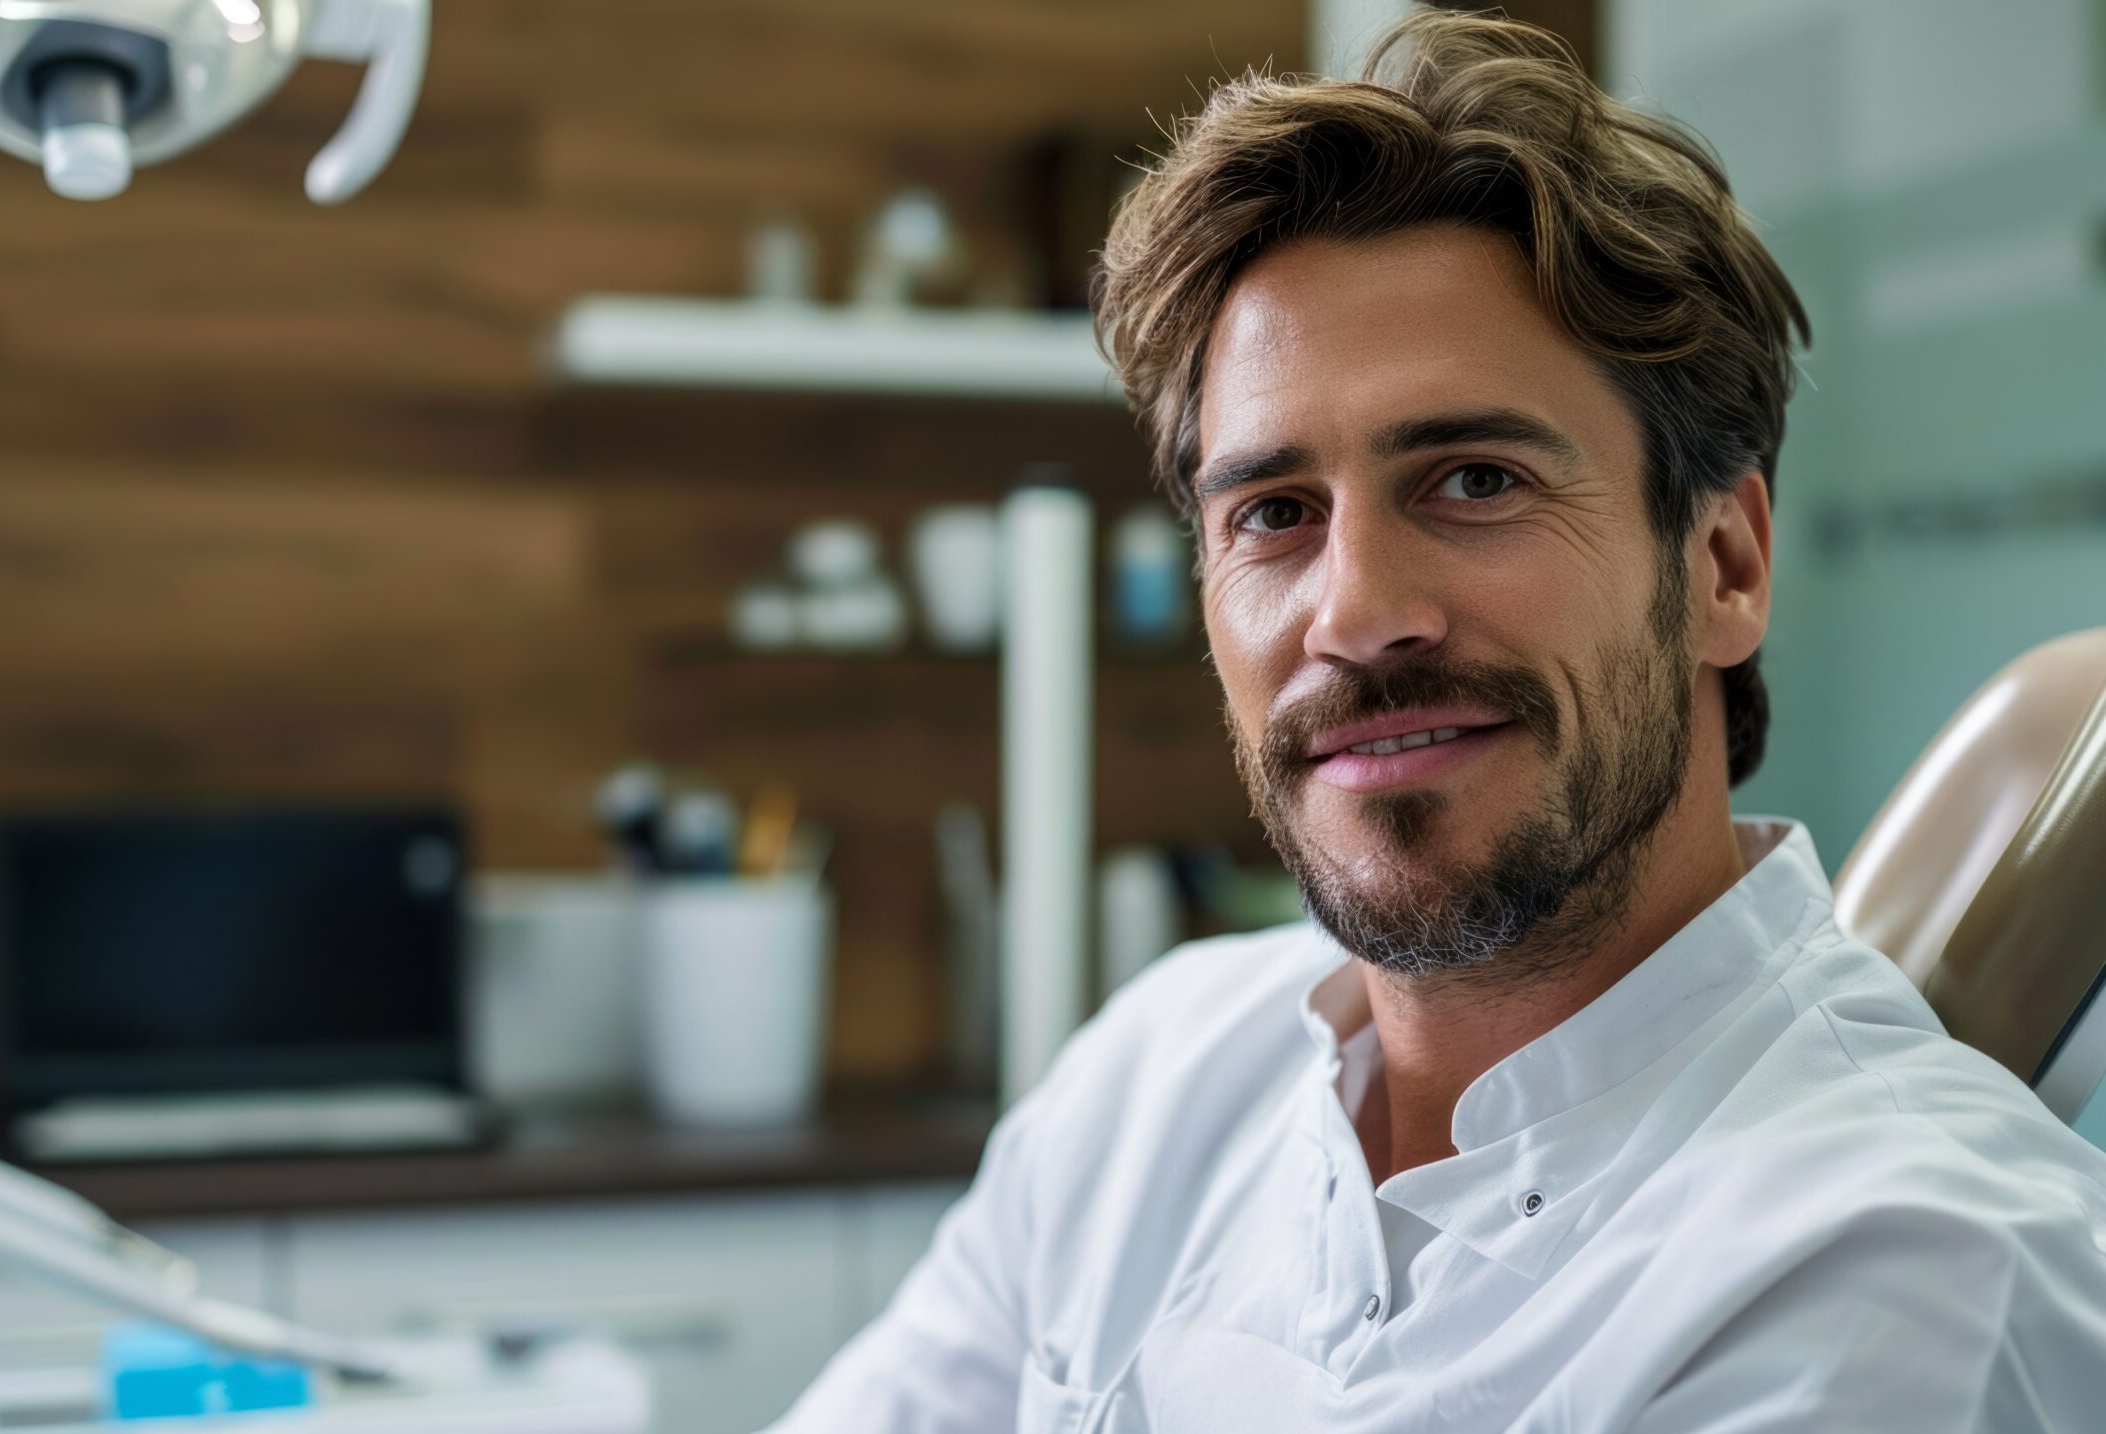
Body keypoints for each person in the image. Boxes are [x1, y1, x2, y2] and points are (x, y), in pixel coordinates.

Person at [768, 11, 2106, 1431]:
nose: (1354, 613)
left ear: (1724, 566)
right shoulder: (1154, 1082)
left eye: (1473, 480)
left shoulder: (1902, 1276)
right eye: (1273, 514)